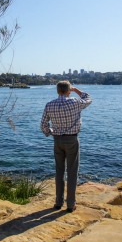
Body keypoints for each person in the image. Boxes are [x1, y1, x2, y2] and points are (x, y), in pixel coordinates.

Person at [40, 80, 92, 213]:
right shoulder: (74, 102)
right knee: (72, 171)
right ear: (68, 91)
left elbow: (43, 126)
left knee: (59, 171)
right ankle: (70, 204)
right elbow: (88, 99)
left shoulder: (49, 105)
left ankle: (58, 202)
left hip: (57, 140)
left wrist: (50, 132)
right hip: (72, 139)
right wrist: (76, 90)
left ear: (58, 91)